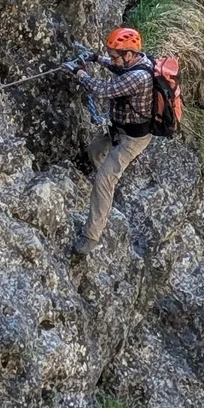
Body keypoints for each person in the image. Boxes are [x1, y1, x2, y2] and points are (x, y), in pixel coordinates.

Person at [73, 27, 156, 256]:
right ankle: (105, 195)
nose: (112, 59)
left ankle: (91, 236)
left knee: (103, 179)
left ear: (129, 54)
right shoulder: (137, 63)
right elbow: (116, 68)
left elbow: (102, 90)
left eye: (115, 55)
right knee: (94, 151)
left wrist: (80, 74)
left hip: (132, 138)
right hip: (119, 129)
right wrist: (96, 58)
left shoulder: (137, 77)